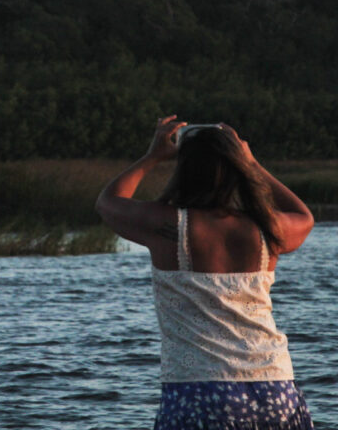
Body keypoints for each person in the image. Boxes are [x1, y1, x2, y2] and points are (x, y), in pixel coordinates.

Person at [95, 116, 316, 430]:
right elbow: (303, 216)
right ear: (236, 170)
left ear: (184, 170)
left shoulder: (169, 226)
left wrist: (152, 157)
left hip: (199, 387)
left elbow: (107, 203)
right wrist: (252, 163)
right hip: (275, 386)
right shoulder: (267, 228)